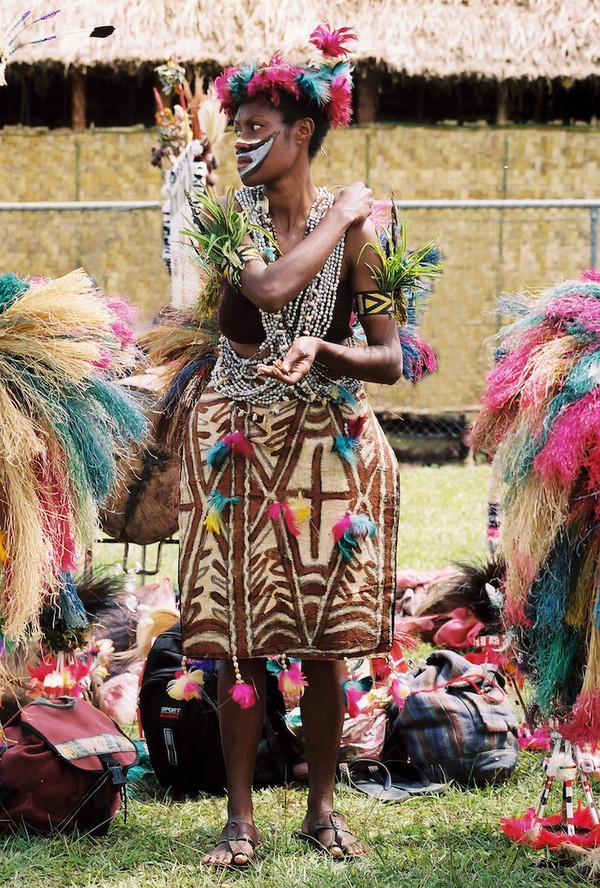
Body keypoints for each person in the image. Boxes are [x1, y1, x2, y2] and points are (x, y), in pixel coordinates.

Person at [177, 25, 402, 867]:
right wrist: (339, 213)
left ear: (302, 131)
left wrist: (330, 351)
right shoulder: (224, 223)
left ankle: (321, 807)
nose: (237, 138)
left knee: (325, 636)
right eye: (232, 124)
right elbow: (268, 287)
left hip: (330, 448)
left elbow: (391, 354)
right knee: (239, 634)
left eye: (253, 124)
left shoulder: (361, 232)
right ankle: (240, 818)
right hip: (236, 445)